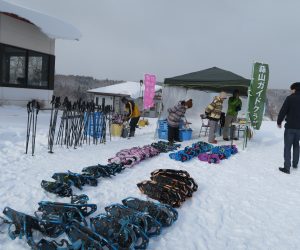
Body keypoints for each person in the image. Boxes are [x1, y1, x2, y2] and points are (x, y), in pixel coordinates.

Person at [277, 82, 300, 174]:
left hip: (290, 127)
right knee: (296, 145)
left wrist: (279, 121)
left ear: (295, 89)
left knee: (287, 147)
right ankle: (295, 164)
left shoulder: (290, 98)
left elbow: (283, 111)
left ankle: (287, 168)